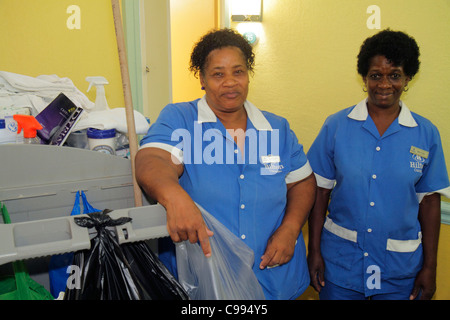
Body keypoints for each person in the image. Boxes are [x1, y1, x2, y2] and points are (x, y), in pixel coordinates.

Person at [135, 28, 316, 300]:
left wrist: (290, 228)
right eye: (218, 74)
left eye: (238, 72)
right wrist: (175, 197)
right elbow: (152, 159)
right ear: (202, 79)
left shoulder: (276, 128)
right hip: (208, 280)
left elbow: (301, 181)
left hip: (273, 277)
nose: (230, 82)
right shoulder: (181, 119)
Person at [307, 29, 450, 300]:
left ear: (408, 78)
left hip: (400, 270)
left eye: (394, 75)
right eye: (376, 75)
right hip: (340, 266)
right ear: (364, 77)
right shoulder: (336, 126)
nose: (384, 84)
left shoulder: (426, 133)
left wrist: (430, 267)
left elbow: (429, 202)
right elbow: (319, 191)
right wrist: (313, 251)